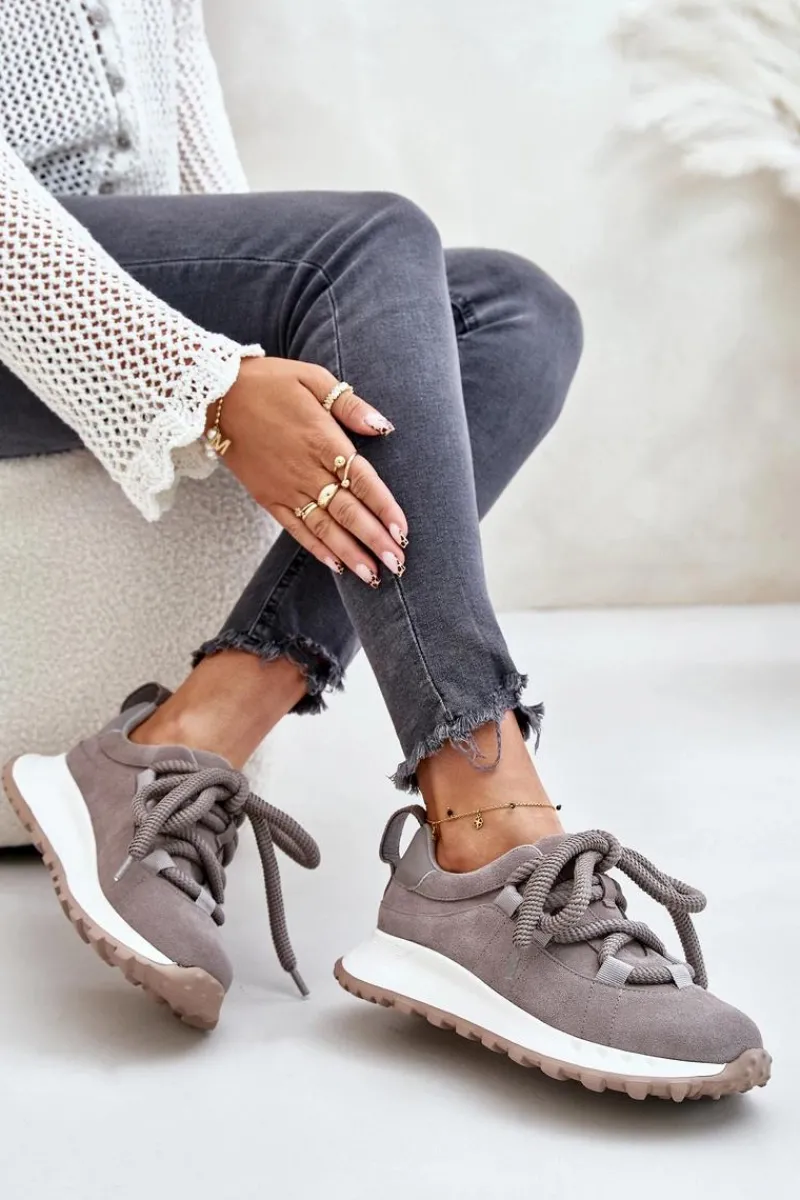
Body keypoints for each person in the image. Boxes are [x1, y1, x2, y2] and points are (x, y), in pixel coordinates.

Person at [0, 0, 769, 1101]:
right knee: (365, 245)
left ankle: (189, 732)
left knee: (509, 314)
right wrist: (202, 381)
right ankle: (486, 833)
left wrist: (268, 353)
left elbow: (193, 144)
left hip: (107, 265)